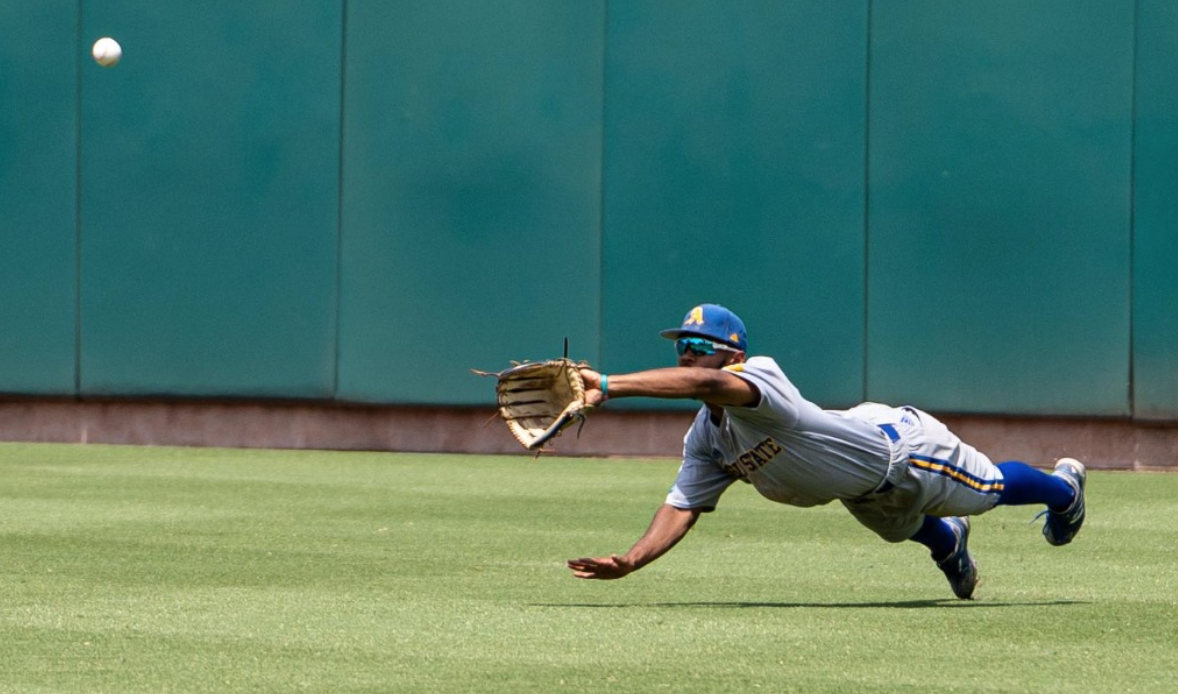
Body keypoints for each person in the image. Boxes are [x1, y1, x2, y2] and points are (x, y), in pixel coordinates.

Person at [565, 303, 1087, 599]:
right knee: (900, 528)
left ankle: (1064, 490)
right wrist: (631, 561)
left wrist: (609, 385)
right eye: (682, 346)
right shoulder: (705, 438)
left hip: (905, 450)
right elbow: (682, 505)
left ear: (734, 355)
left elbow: (706, 384)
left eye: (701, 347)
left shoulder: (758, 376)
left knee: (989, 488)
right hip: (858, 488)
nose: (687, 355)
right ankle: (948, 542)